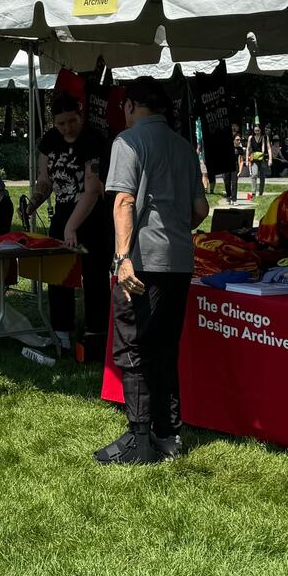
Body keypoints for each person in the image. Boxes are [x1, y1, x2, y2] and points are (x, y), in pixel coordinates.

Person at [97, 77, 211, 466]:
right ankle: (169, 432)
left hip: (142, 263)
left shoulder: (127, 142)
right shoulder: (183, 146)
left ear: (130, 106)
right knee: (165, 347)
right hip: (179, 260)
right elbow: (200, 210)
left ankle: (139, 436)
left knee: (133, 347)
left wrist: (122, 257)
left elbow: (123, 201)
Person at [31, 92, 111, 356]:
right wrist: (34, 202)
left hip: (91, 216)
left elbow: (93, 189)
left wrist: (72, 227)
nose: (67, 128)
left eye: (72, 121)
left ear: (80, 116)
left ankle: (95, 335)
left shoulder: (93, 141)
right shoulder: (49, 142)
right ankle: (61, 334)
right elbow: (45, 180)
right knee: (59, 276)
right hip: (63, 214)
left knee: (95, 277)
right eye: (61, 123)